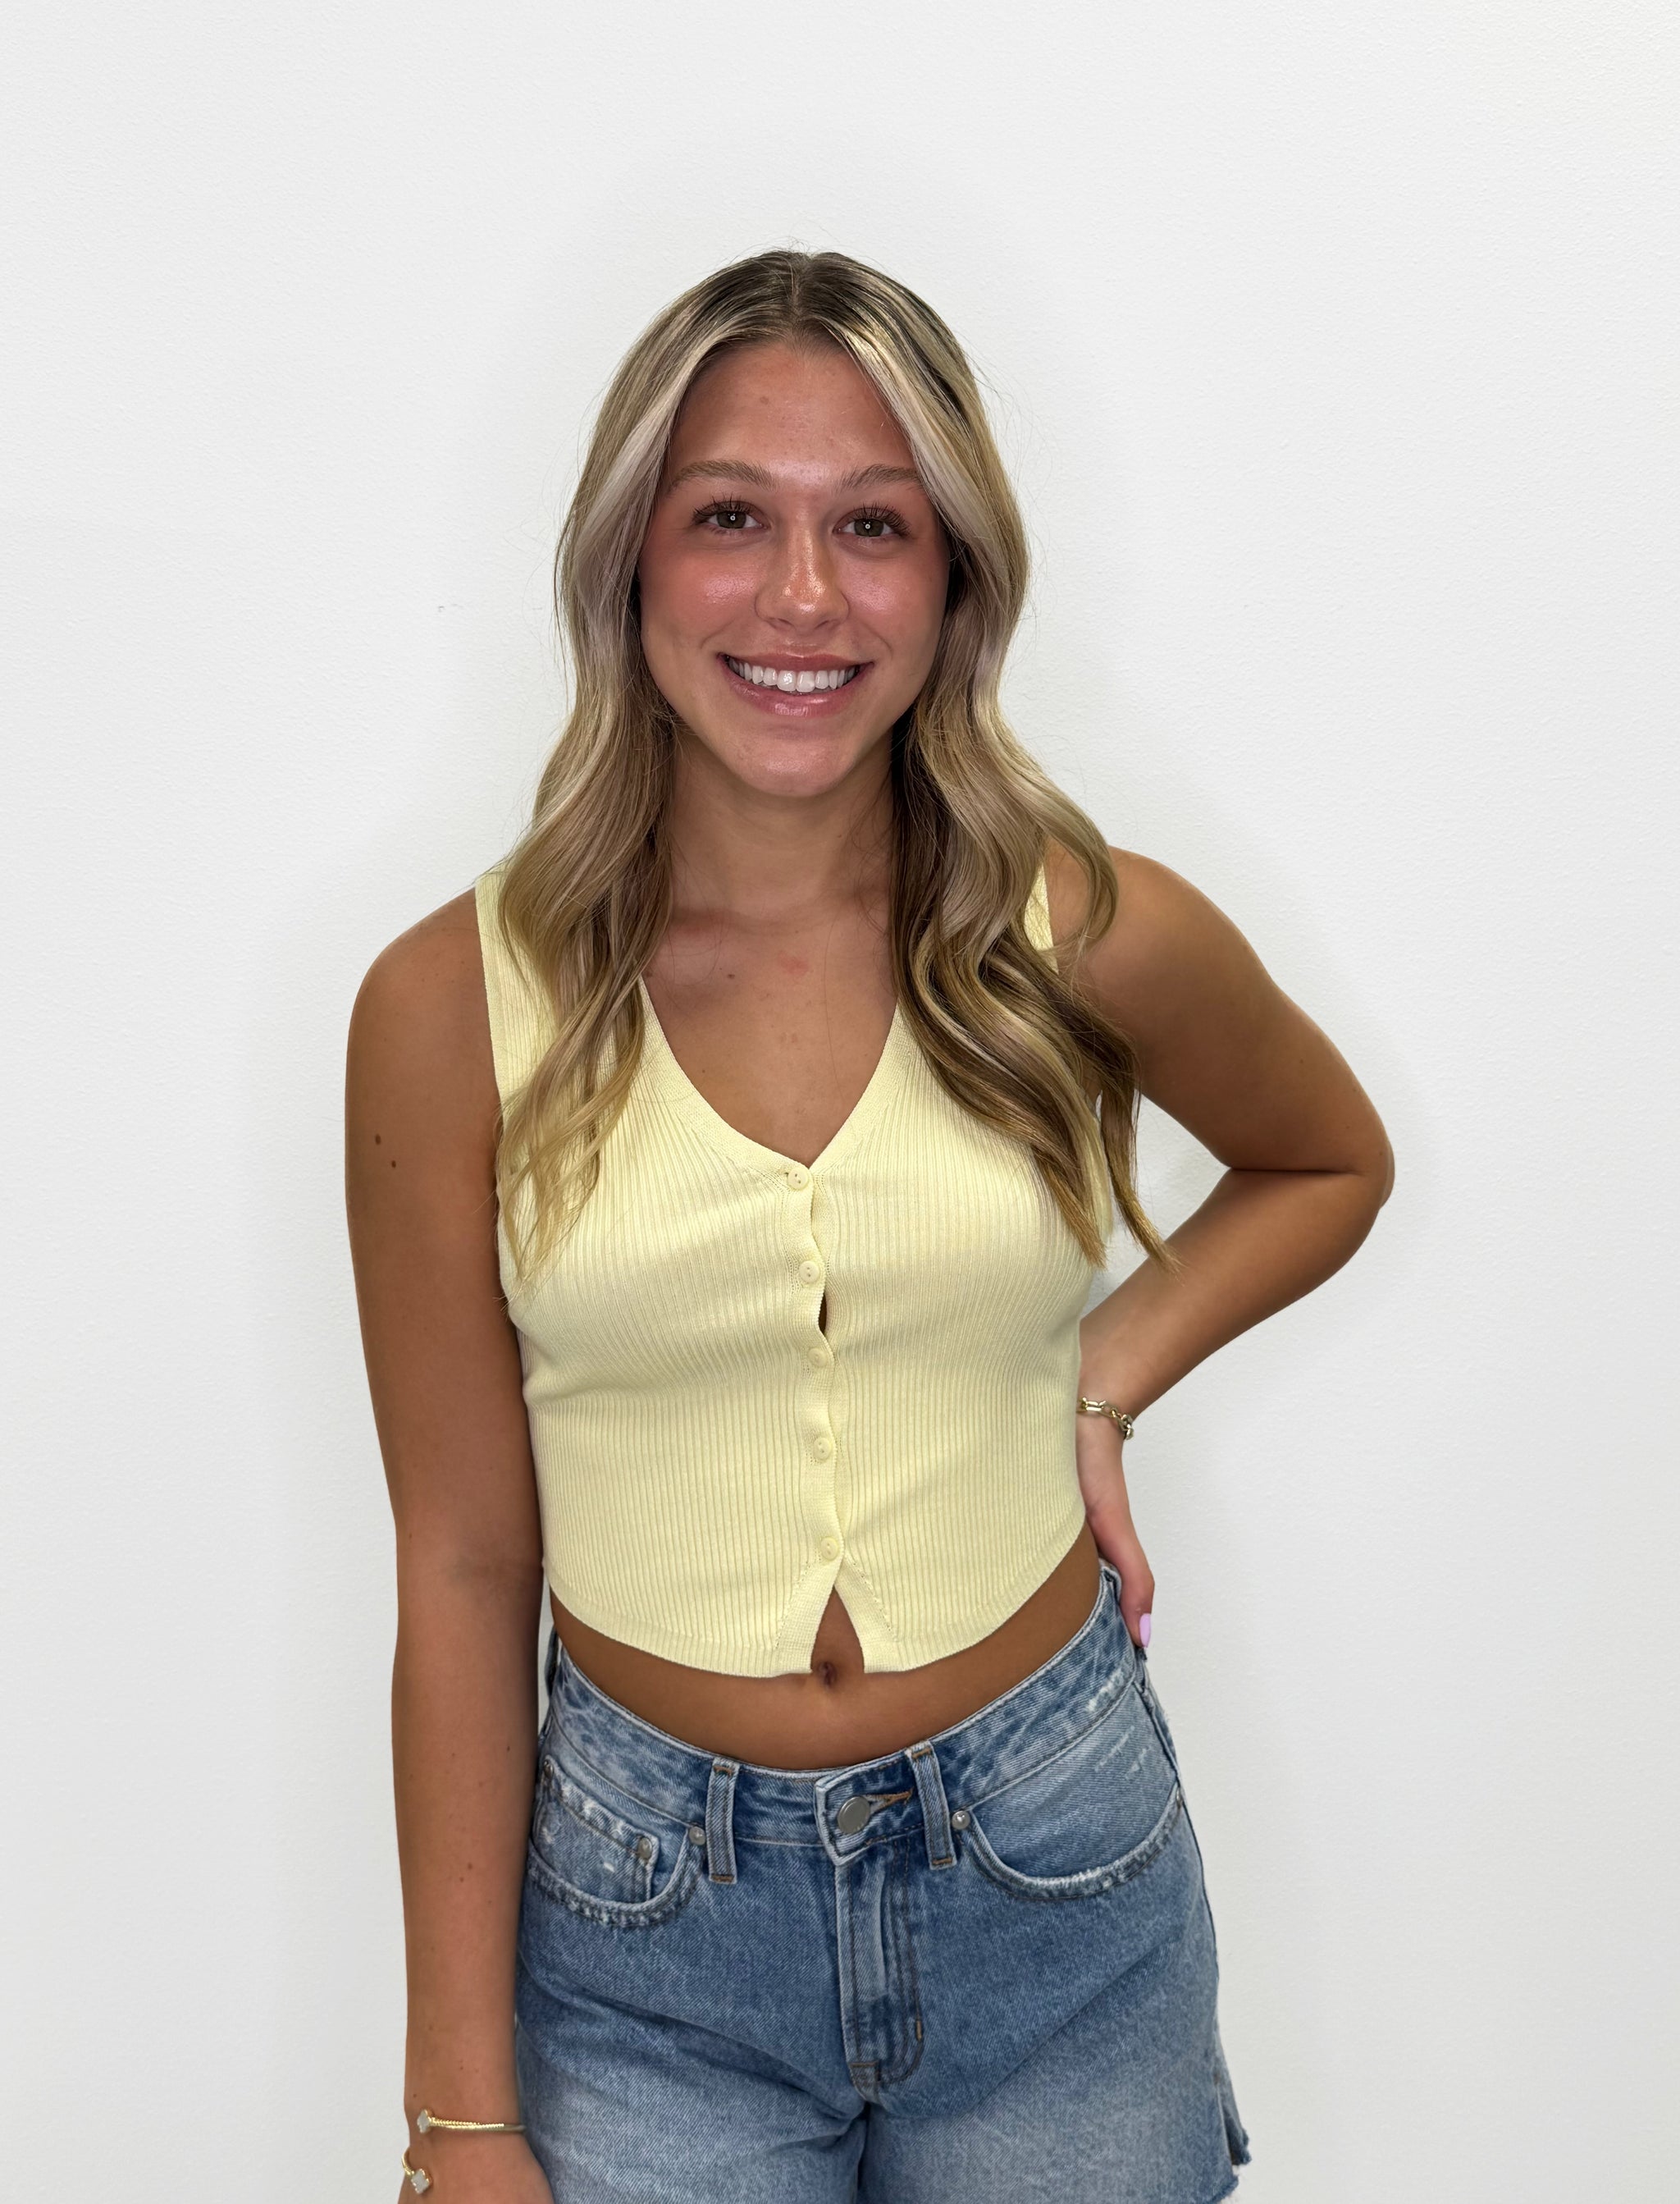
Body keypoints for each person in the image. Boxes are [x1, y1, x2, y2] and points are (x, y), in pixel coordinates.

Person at [345, 247, 1393, 2204]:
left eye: (875, 526)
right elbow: (466, 1562)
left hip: (1056, 1880)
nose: (804, 598)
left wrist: (1103, 1378)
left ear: (954, 580)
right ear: (629, 563)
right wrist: (456, 2115)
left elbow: (1326, 1159)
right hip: (646, 1943)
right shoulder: (445, 1007)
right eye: (730, 517)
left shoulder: (1080, 930)